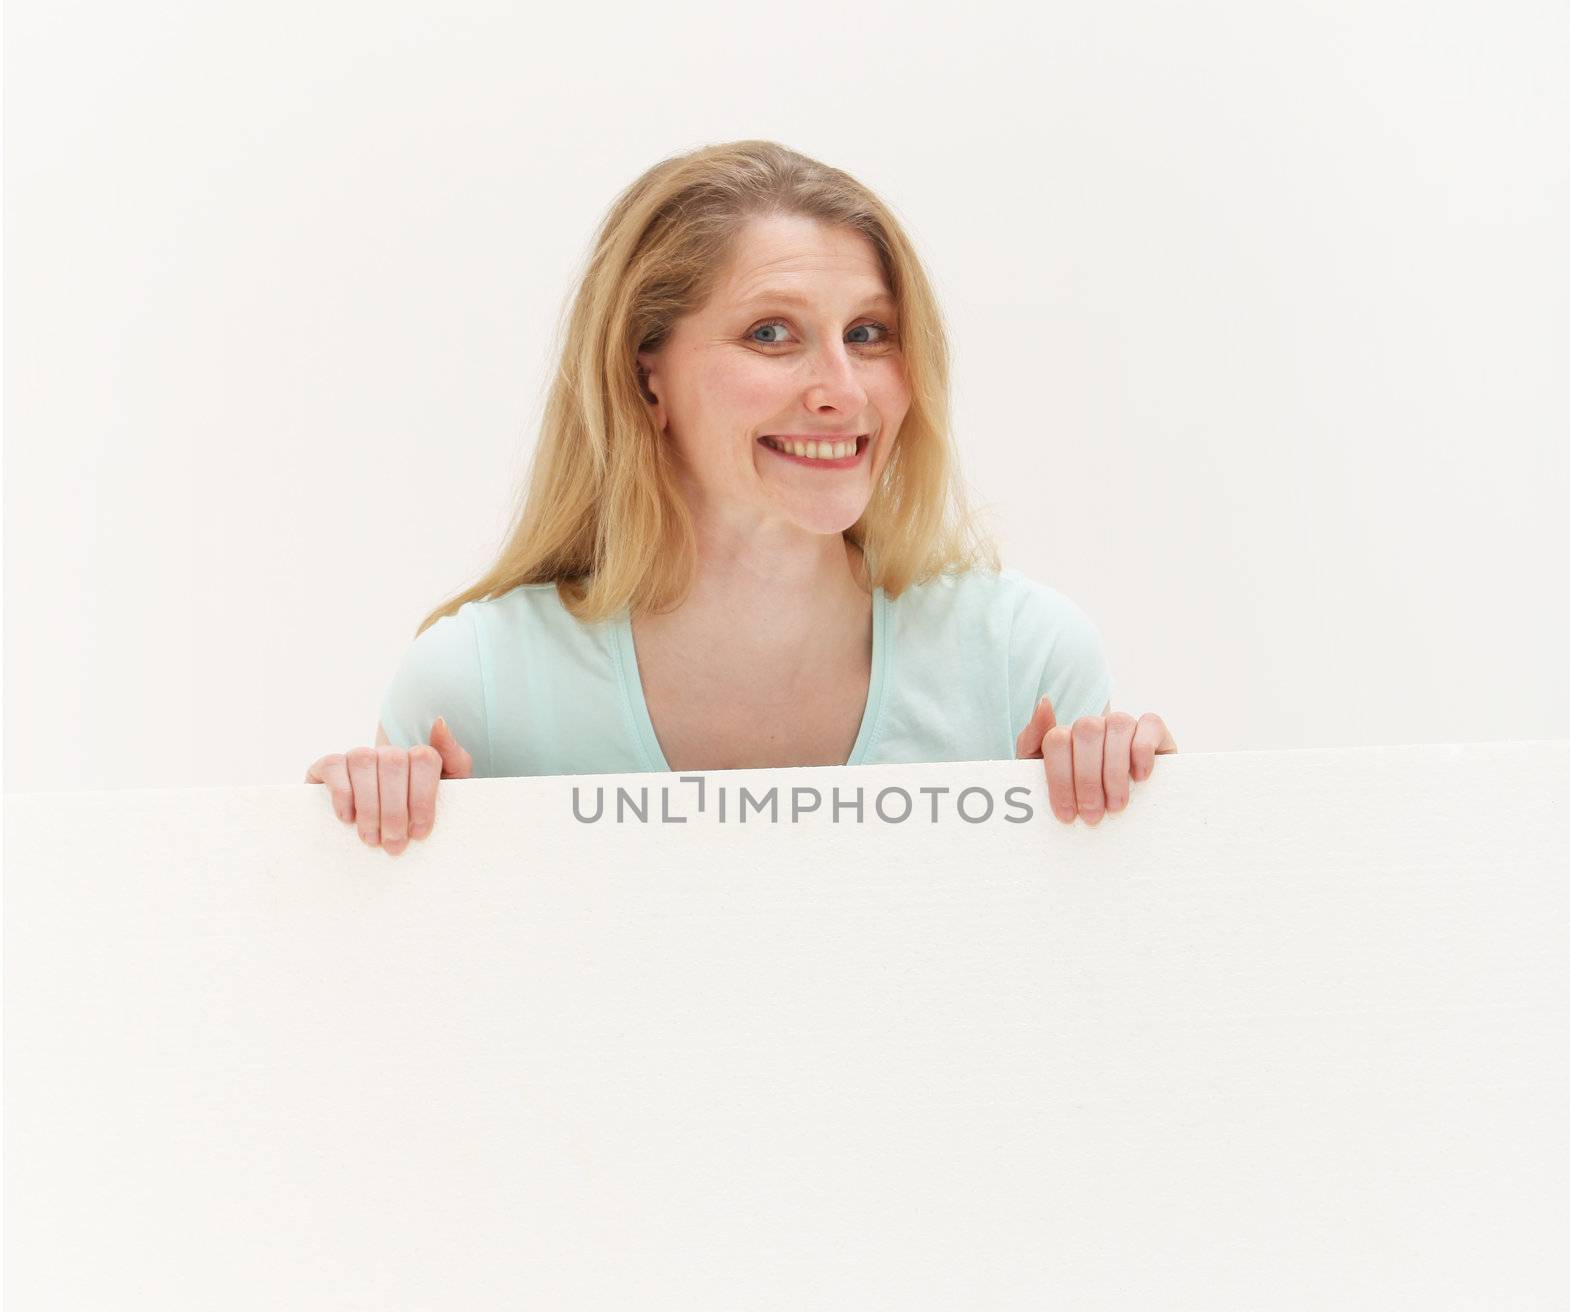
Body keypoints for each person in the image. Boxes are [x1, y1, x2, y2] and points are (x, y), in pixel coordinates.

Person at [306, 140, 1176, 854]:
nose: (843, 388)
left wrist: (1148, 830)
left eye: (869, 334)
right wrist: (353, 847)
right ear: (646, 380)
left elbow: (1118, 1017)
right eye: (772, 334)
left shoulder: (1024, 665)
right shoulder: (475, 688)